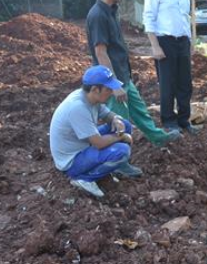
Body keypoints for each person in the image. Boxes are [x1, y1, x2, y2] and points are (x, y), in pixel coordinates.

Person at [86, 0, 180, 145]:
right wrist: (113, 84)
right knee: (120, 122)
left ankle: (159, 138)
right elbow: (101, 52)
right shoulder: (98, 16)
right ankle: (120, 161)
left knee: (139, 111)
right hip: (111, 81)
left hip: (123, 75)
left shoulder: (111, 10)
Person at [50, 65, 143, 198]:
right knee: (121, 151)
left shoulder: (91, 97)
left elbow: (107, 114)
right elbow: (98, 143)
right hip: (72, 161)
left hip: (83, 145)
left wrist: (116, 120)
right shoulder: (78, 107)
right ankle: (84, 178)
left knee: (125, 125)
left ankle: (118, 167)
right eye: (108, 89)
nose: (111, 92)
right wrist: (121, 136)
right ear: (95, 89)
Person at [143, 0, 199, 135]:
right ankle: (169, 122)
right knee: (168, 84)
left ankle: (184, 121)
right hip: (164, 42)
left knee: (185, 84)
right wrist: (155, 46)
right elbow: (148, 18)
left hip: (182, 42)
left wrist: (190, 41)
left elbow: (186, 18)